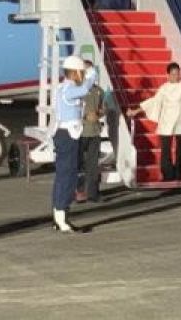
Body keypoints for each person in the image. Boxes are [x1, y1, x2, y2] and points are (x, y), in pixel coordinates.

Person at [126, 63, 181, 183]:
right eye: (173, 74)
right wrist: (136, 111)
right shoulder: (164, 88)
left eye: (177, 73)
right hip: (167, 121)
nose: (176, 76)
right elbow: (154, 101)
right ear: (168, 75)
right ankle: (168, 174)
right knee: (166, 149)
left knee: (180, 150)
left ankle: (179, 174)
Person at [52, 55, 97, 233]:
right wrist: (92, 71)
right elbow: (86, 88)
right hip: (67, 135)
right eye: (81, 72)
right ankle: (62, 218)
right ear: (76, 72)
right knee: (67, 176)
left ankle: (59, 217)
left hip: (69, 133)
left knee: (65, 175)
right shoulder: (69, 89)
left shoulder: (65, 88)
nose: (82, 75)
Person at [76, 58, 106, 203]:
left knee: (93, 164)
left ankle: (93, 193)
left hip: (94, 131)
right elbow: (70, 110)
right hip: (80, 132)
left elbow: (104, 108)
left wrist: (98, 114)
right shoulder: (76, 90)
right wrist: (85, 116)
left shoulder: (98, 91)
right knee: (78, 164)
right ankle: (78, 191)